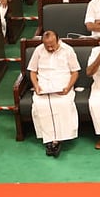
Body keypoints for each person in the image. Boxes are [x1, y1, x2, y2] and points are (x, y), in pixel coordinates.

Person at [27, 30, 80, 158]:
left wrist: (68, 87)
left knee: (62, 104)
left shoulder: (68, 50)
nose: (50, 48)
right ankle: (50, 139)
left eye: (52, 45)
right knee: (40, 106)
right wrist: (36, 86)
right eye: (47, 45)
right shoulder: (39, 50)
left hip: (63, 85)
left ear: (58, 40)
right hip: (44, 85)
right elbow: (32, 71)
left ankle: (59, 139)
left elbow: (75, 72)